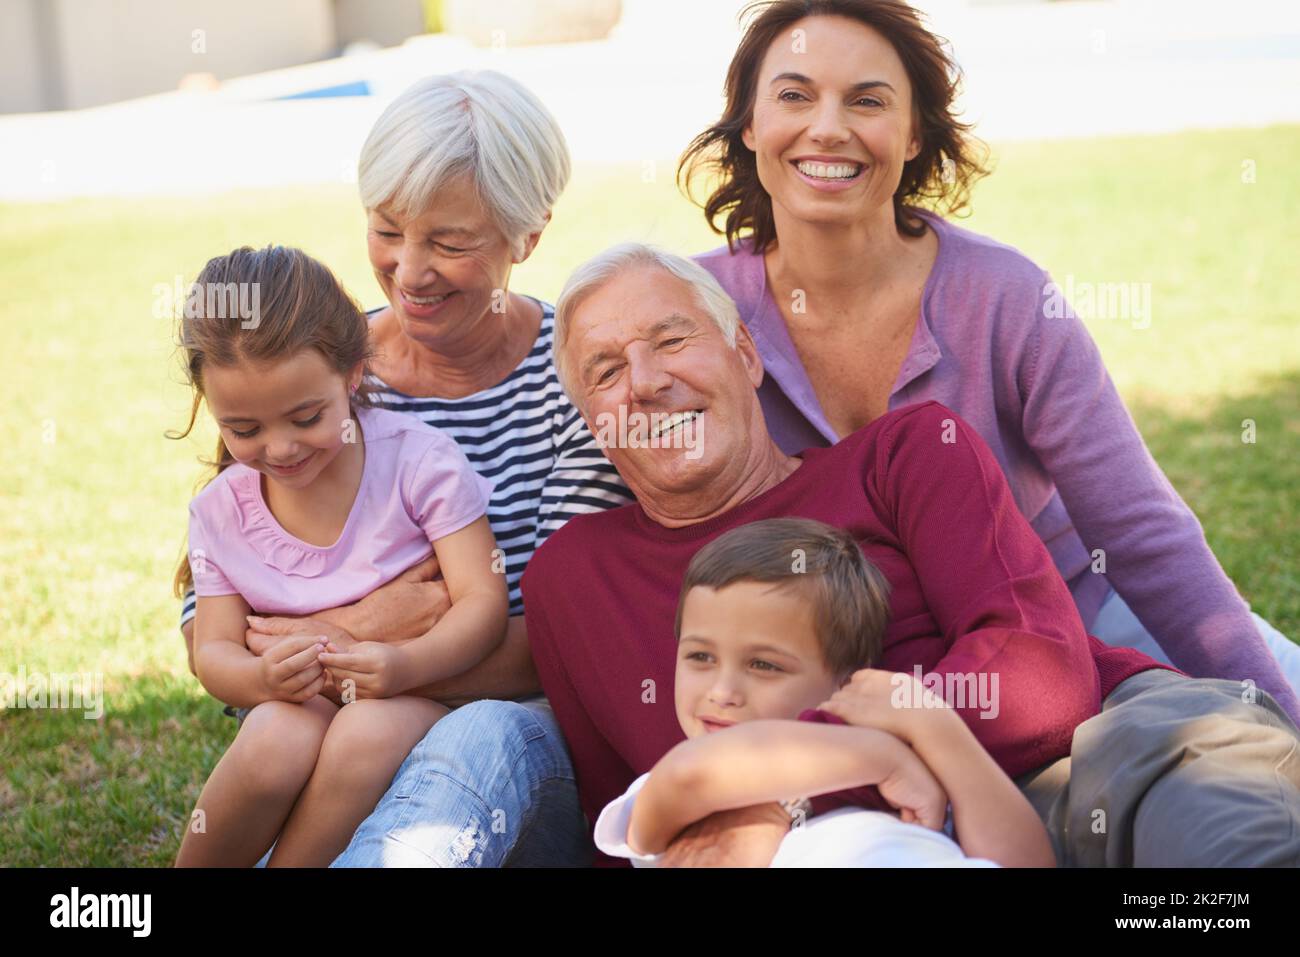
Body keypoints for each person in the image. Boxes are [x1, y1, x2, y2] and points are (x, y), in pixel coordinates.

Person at [528, 241, 1300, 867]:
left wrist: (799, 772)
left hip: (1080, 758)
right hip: (841, 850)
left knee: (1215, 844)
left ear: (745, 356)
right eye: (605, 369)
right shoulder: (571, 579)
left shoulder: (905, 454)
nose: (648, 380)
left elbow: (1039, 680)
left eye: (672, 339)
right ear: (591, 420)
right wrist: (862, 761)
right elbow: (616, 816)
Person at [680, 0, 1300, 717]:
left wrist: (1274, 707)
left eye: (867, 100)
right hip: (859, 669)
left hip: (1074, 614)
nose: (827, 125)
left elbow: (1138, 528)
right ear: (750, 123)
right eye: (794, 95)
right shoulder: (698, 312)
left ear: (914, 135)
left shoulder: (1005, 296)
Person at [174, 71, 632, 867]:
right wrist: (346, 646)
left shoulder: (578, 385)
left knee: (467, 734)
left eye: (450, 242)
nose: (408, 270)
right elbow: (222, 595)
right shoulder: (313, 363)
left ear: (528, 235)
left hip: (504, 736)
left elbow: (562, 642)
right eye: (387, 229)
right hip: (316, 725)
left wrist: (352, 643)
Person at [171, 245, 509, 867]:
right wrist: (258, 680)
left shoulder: (417, 462)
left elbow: (482, 601)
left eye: (306, 417)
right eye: (244, 430)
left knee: (364, 732)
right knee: (275, 733)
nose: (281, 448)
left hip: (414, 694)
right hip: (294, 704)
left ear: (352, 373)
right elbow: (211, 649)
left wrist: (406, 665)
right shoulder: (221, 512)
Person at [595, 517, 1051, 867]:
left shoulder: (920, 783)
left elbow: (1024, 861)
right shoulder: (679, 799)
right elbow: (689, 776)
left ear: (845, 682)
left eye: (763, 665)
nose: (723, 691)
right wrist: (882, 756)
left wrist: (936, 727)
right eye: (700, 657)